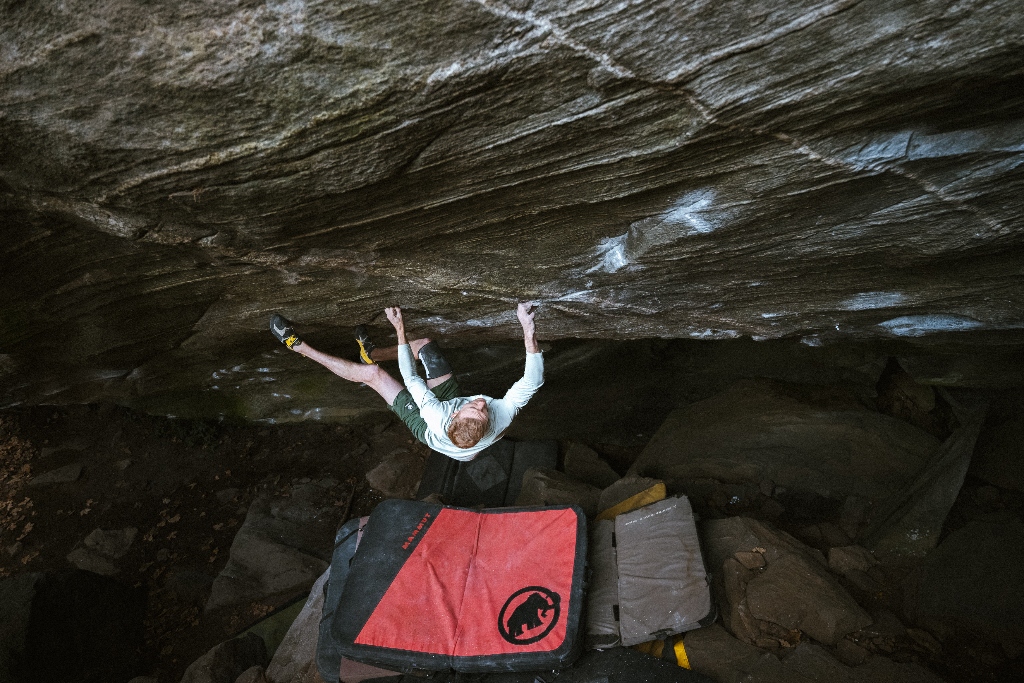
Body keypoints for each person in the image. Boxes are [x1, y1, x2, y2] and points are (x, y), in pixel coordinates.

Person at [269, 303, 543, 461]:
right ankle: (371, 353)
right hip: (462, 442)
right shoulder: (501, 415)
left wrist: (399, 329)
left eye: (477, 409)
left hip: (428, 431)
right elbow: (533, 380)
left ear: (455, 412)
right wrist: (527, 330)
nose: (482, 403)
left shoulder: (434, 416)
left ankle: (299, 346)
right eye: (481, 409)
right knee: (424, 346)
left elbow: (411, 379)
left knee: (375, 375)